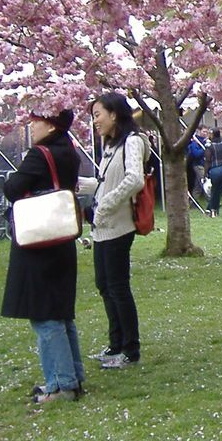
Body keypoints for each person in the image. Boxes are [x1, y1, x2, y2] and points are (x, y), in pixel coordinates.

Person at [2, 108, 84, 404]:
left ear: (50, 125)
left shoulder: (39, 154)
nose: (31, 126)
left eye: (36, 120)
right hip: (61, 238)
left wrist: (13, 177)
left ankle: (61, 384)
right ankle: (72, 375)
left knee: (45, 315)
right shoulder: (70, 152)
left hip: (39, 240)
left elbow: (13, 189)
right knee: (61, 312)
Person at [89, 93, 148, 369]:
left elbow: (134, 179)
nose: (95, 121)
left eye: (98, 114)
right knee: (105, 286)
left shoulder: (133, 142)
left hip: (118, 226)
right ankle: (115, 344)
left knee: (117, 287)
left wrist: (106, 206)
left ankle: (130, 350)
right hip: (102, 229)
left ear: (114, 114)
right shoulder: (110, 145)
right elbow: (105, 182)